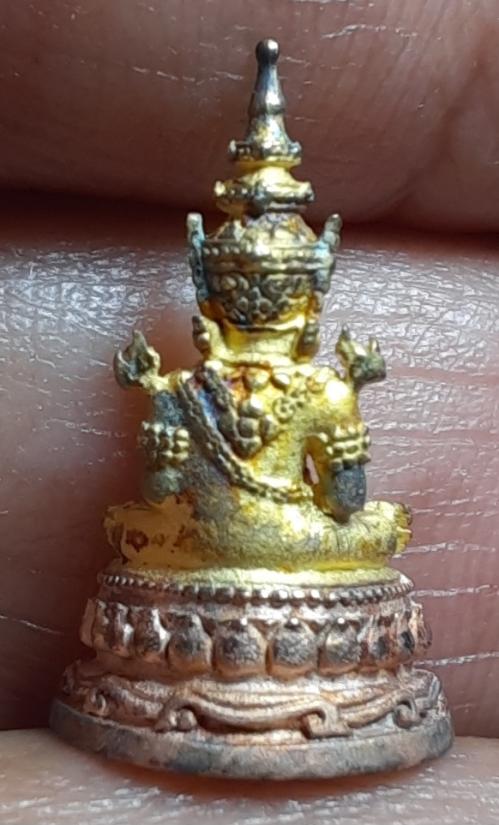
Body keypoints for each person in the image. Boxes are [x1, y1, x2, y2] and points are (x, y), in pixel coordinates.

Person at [1, 0, 498, 821]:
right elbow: (343, 501)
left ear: (209, 288)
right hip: (298, 555)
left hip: (193, 565)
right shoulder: (321, 390)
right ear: (311, 292)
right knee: (383, 528)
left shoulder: (178, 387)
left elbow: (160, 494)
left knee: (129, 525)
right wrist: (354, 390)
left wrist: (159, 423)